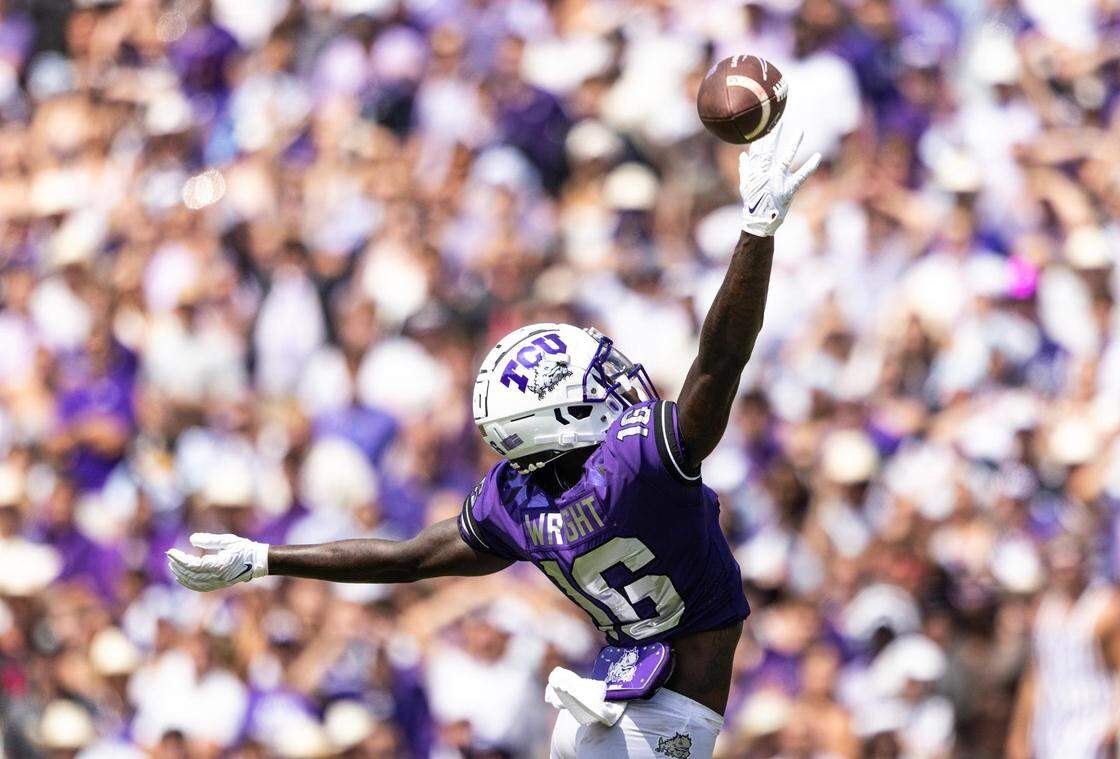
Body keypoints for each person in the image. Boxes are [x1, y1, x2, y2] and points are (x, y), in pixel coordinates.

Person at [166, 124, 821, 759]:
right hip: (667, 725)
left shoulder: (515, 498)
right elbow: (721, 357)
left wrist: (265, 557)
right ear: (560, 420)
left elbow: (406, 558)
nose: (615, 382)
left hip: (614, 695)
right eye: (592, 383)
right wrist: (757, 231)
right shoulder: (637, 462)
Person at [1006, 537, 1120, 759]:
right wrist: (1020, 731)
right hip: (1051, 723)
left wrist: (1117, 722)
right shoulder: (1043, 612)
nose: (1065, 573)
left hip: (1094, 721)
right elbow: (1035, 676)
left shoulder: (1105, 608)